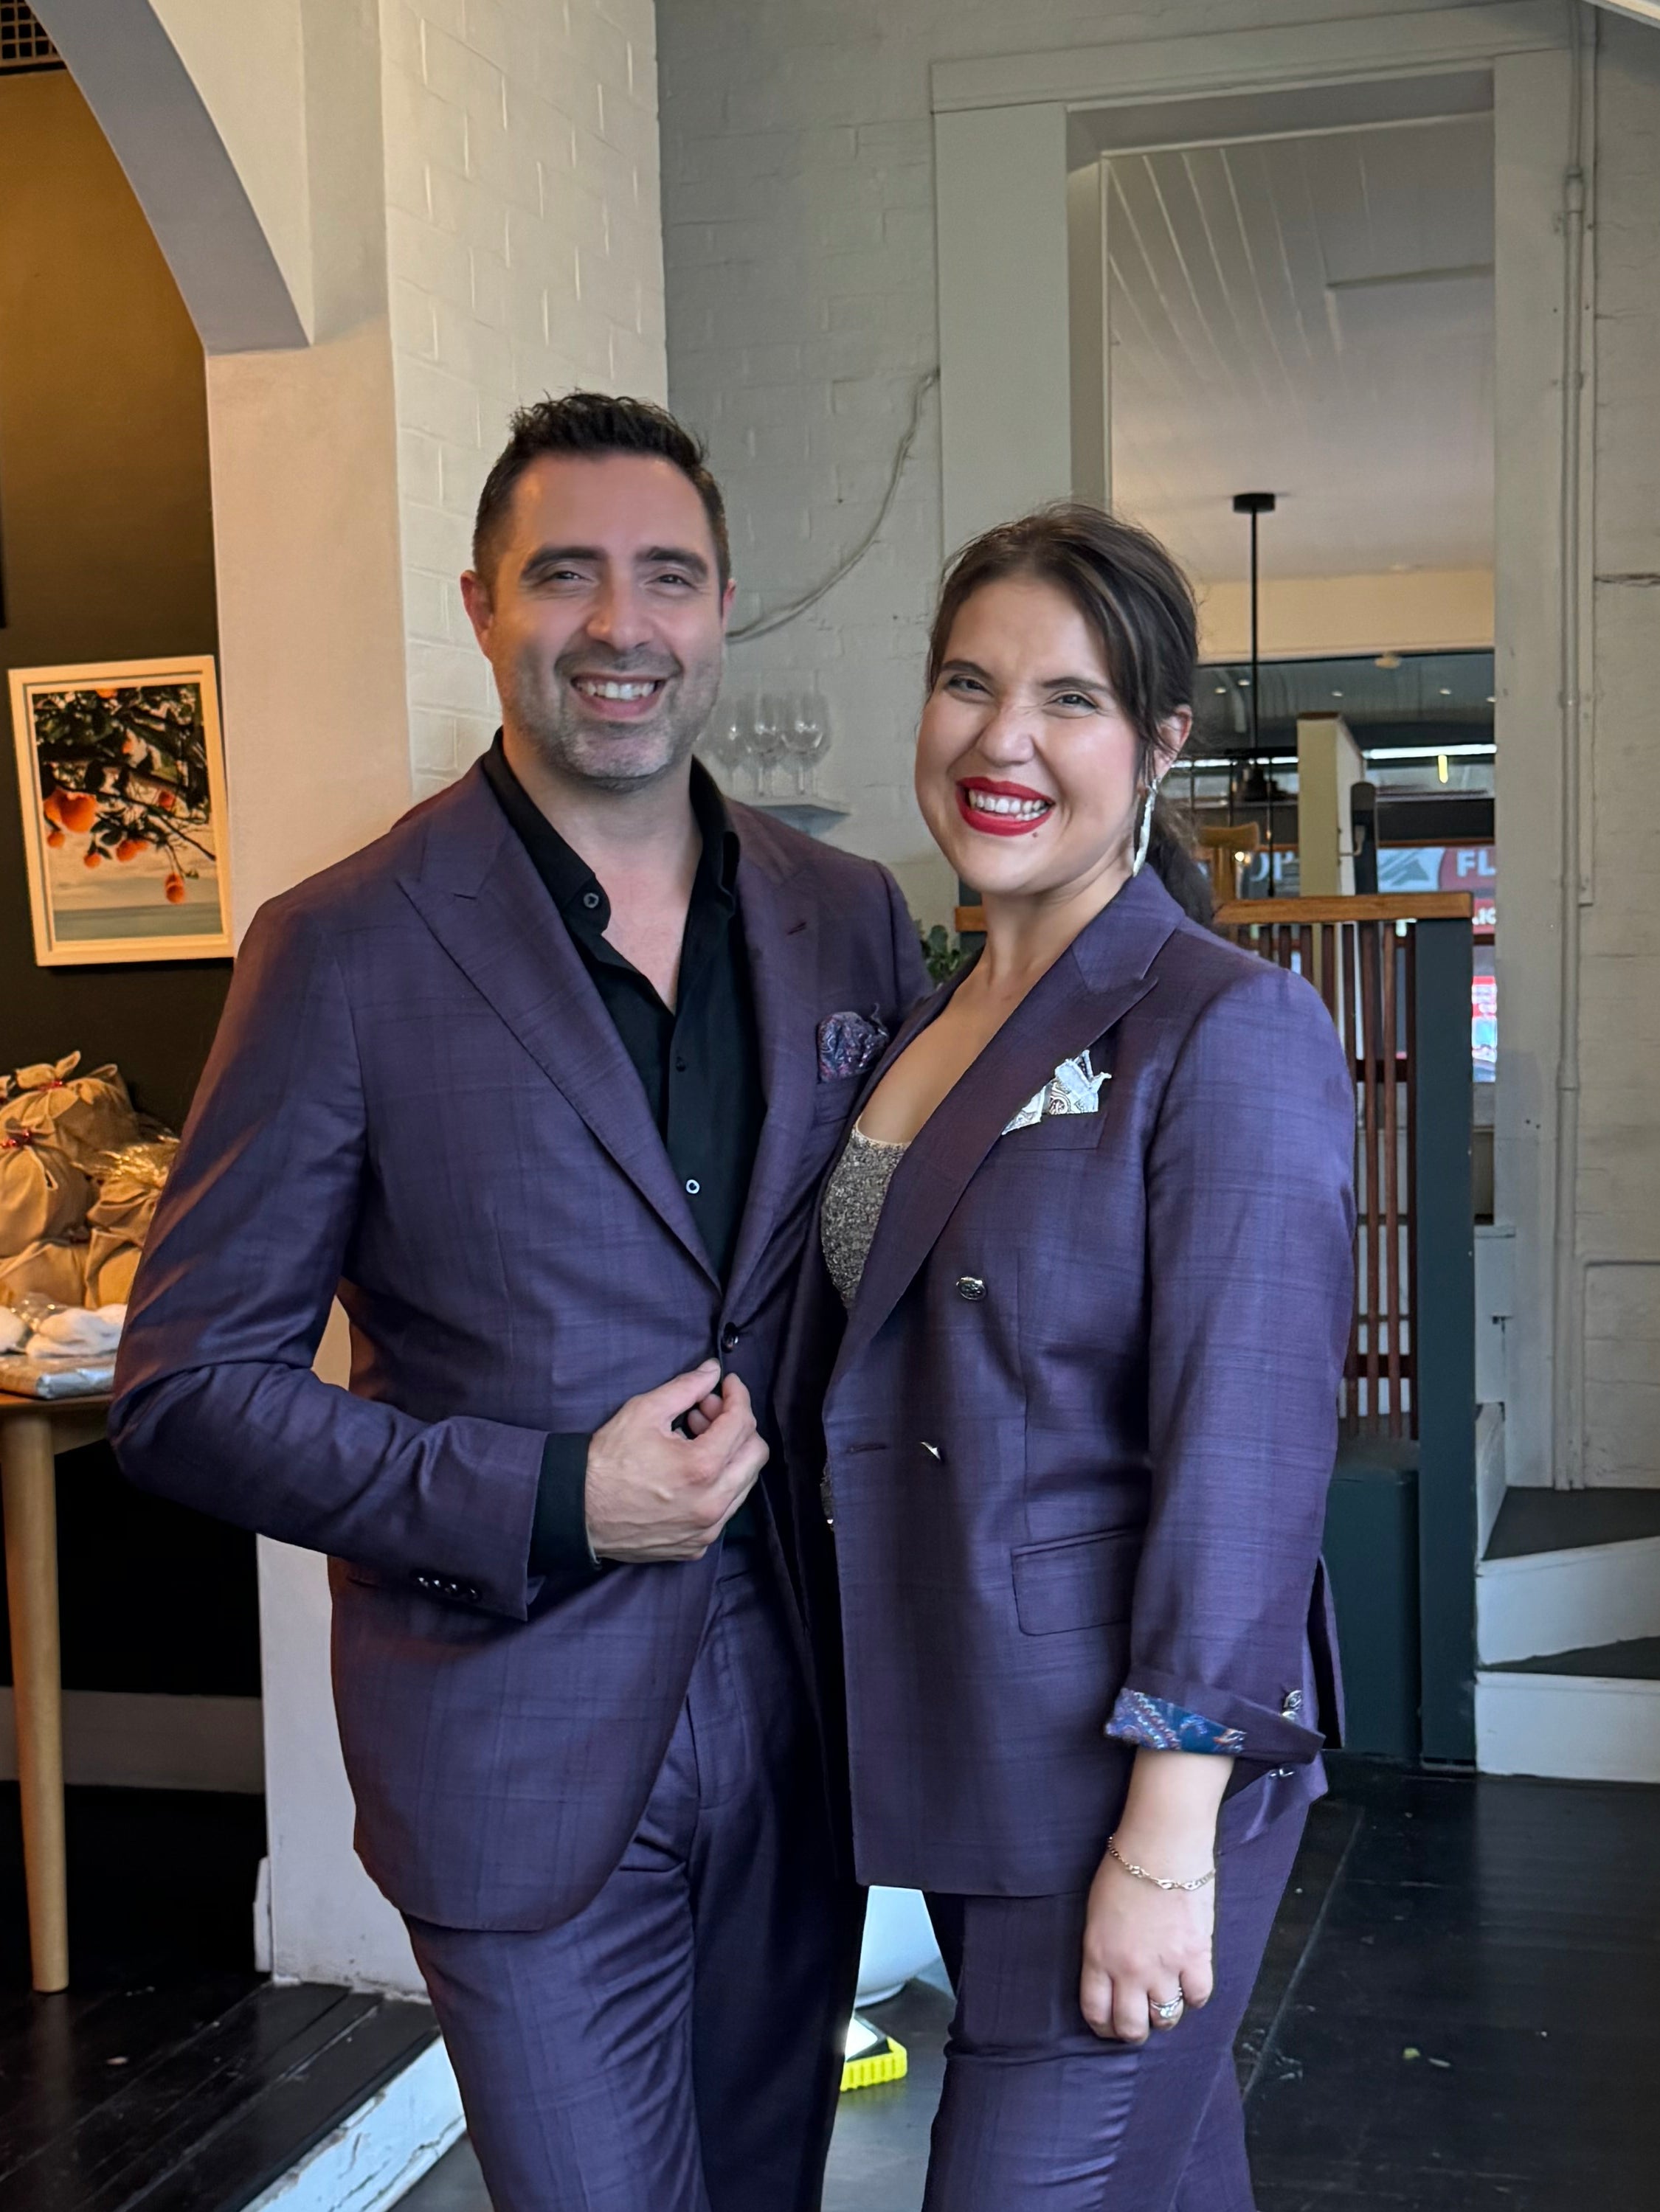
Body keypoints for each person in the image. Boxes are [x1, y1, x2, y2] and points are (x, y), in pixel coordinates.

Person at [111, 392, 926, 2212]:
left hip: (807, 1717)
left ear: (724, 612)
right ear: (481, 602)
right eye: (565, 576)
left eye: (668, 579)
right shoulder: (343, 946)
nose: (619, 627)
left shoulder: (850, 917)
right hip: (514, 1733)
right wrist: (558, 1496)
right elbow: (184, 1387)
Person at [778, 504, 1355, 2209]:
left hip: (1127, 1787)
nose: (1001, 739)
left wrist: (1165, 1851)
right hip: (962, 1745)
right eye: (967, 682)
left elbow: (1244, 1463)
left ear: (1161, 745)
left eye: (1070, 700)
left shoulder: (1222, 1025)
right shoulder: (921, 1012)